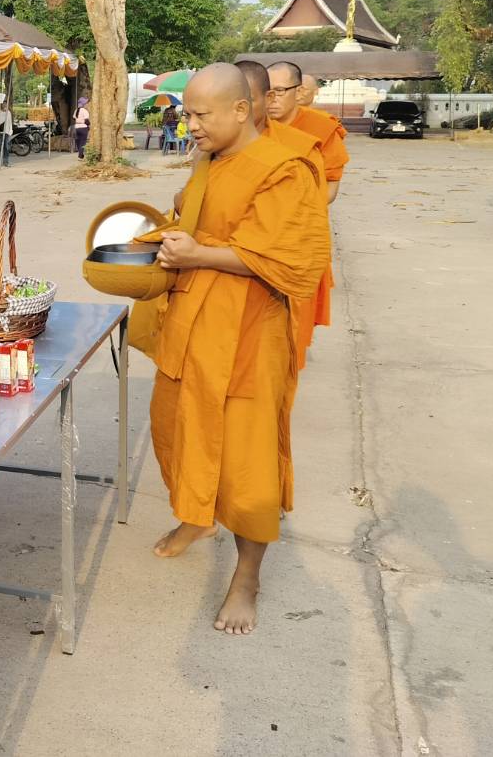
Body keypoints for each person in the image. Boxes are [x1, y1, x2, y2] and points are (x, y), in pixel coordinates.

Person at [149, 64, 330, 636]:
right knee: (180, 426)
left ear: (239, 110)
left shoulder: (285, 170)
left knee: (246, 458)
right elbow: (196, 218)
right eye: (187, 113)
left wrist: (197, 253)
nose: (191, 124)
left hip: (250, 330)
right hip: (194, 320)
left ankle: (247, 576)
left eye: (201, 114)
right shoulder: (210, 160)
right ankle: (197, 517)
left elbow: (289, 260)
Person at [238, 60, 326, 371]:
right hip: (225, 288)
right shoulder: (211, 149)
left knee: (272, 368)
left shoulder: (299, 150)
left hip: (275, 278)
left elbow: (306, 219)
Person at [266, 61, 349, 347]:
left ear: (298, 92)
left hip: (299, 231)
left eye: (279, 91)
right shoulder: (252, 129)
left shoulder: (319, 129)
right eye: (267, 92)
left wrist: (287, 214)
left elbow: (330, 188)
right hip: (259, 233)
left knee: (297, 316)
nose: (271, 99)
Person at [0, 99, 14, 168]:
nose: (4, 105)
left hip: (6, 133)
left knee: (6, 148)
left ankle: (6, 162)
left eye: (5, 104)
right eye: (3, 103)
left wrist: (10, 131)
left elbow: (10, 123)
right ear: (1, 104)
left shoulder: (8, 112)